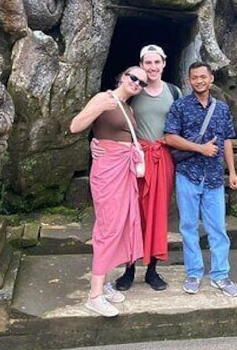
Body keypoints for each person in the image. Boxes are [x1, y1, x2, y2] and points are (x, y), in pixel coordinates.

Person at [69, 67, 148, 317]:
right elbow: (76, 126)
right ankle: (94, 296)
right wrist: (99, 109)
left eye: (142, 82)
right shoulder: (104, 98)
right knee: (108, 228)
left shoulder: (128, 107)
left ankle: (103, 283)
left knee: (123, 225)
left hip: (124, 171)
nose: (136, 83)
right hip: (108, 171)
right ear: (122, 76)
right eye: (133, 77)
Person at [164, 61, 237, 297]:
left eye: (202, 77)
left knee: (217, 227)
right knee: (188, 226)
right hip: (188, 174)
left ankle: (220, 275)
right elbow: (170, 138)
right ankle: (194, 273)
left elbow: (227, 139)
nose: (199, 81)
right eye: (194, 77)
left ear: (211, 79)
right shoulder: (180, 106)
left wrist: (233, 172)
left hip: (214, 177)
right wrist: (200, 149)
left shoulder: (221, 109)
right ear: (189, 81)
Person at [114, 44, 181, 292]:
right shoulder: (134, 90)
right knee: (132, 214)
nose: (152, 67)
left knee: (157, 214)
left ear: (164, 63)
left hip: (161, 157)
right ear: (141, 65)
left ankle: (152, 269)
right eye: (147, 63)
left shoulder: (173, 92)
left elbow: (181, 124)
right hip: (136, 158)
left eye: (157, 62)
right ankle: (129, 268)